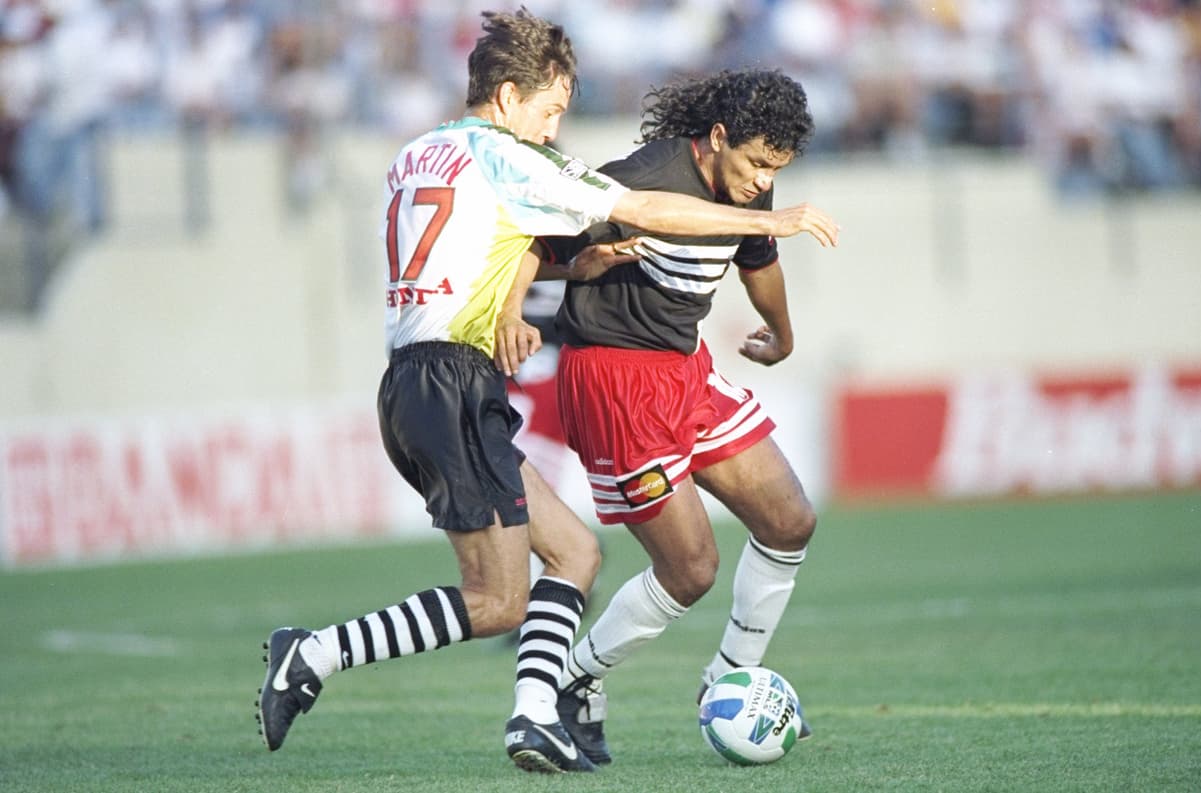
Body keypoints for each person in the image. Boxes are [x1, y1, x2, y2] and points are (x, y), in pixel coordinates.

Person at [255, 11, 839, 776]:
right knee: (499, 598)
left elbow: (481, 244)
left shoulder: (417, 154)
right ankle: (317, 652)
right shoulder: (507, 156)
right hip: (456, 379)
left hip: (423, 377)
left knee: (574, 552)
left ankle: (541, 713)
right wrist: (776, 216)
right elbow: (639, 208)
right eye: (550, 109)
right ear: (505, 97)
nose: (553, 127)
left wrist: (550, 280)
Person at [525, 68, 825, 766]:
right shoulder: (640, 177)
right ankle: (571, 680)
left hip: (684, 367)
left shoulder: (750, 176)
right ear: (717, 138)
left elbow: (759, 254)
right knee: (691, 570)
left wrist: (781, 332)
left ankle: (728, 680)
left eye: (775, 170)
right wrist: (521, 306)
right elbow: (535, 247)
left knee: (789, 520)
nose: (762, 182)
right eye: (755, 163)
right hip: (615, 380)